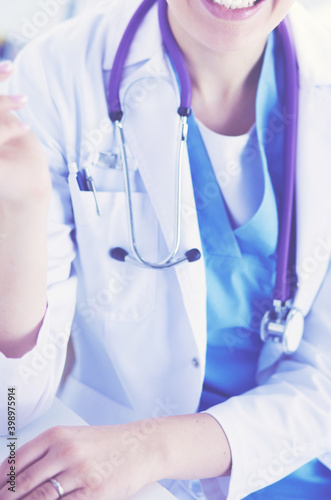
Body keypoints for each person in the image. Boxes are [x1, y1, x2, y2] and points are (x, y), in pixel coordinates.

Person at [0, 0, 331, 498]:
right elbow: (13, 406)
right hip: (107, 460)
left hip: (293, 463)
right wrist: (19, 207)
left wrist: (149, 448)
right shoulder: (55, 74)